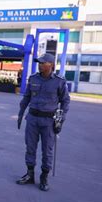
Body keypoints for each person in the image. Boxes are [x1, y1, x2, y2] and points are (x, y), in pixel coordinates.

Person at [17, 53, 70, 191]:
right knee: (30, 147)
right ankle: (30, 174)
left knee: (47, 150)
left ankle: (44, 177)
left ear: (51, 65)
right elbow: (26, 98)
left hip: (48, 121)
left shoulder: (59, 81)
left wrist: (60, 120)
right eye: (39, 63)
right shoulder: (33, 78)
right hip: (33, 119)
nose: (40, 65)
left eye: (43, 63)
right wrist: (20, 114)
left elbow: (65, 101)